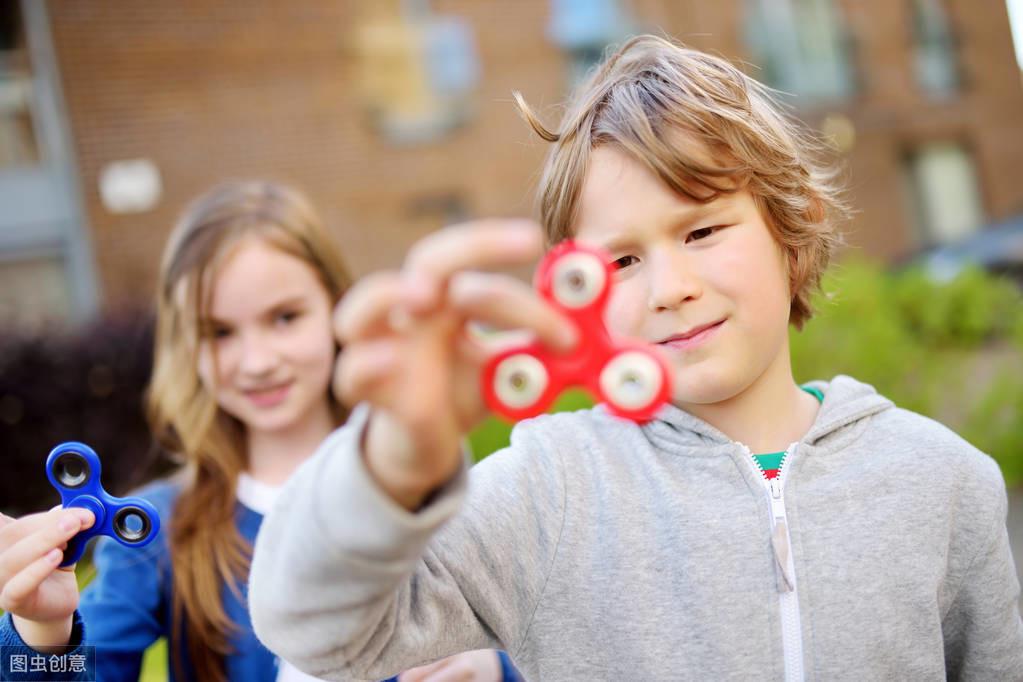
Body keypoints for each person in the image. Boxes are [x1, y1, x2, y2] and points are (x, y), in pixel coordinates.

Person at [246, 35, 1023, 681]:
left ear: (792, 231)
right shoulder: (548, 491)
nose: (669, 289)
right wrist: (392, 461)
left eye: (702, 231)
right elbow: (318, 635)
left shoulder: (944, 482)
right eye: (619, 262)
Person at [0, 181, 518, 681]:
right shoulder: (155, 532)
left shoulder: (428, 492)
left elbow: (541, 635)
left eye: (285, 317)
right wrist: (45, 630)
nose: (257, 361)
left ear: (337, 307)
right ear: (186, 346)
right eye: (220, 332)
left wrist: (496, 668)